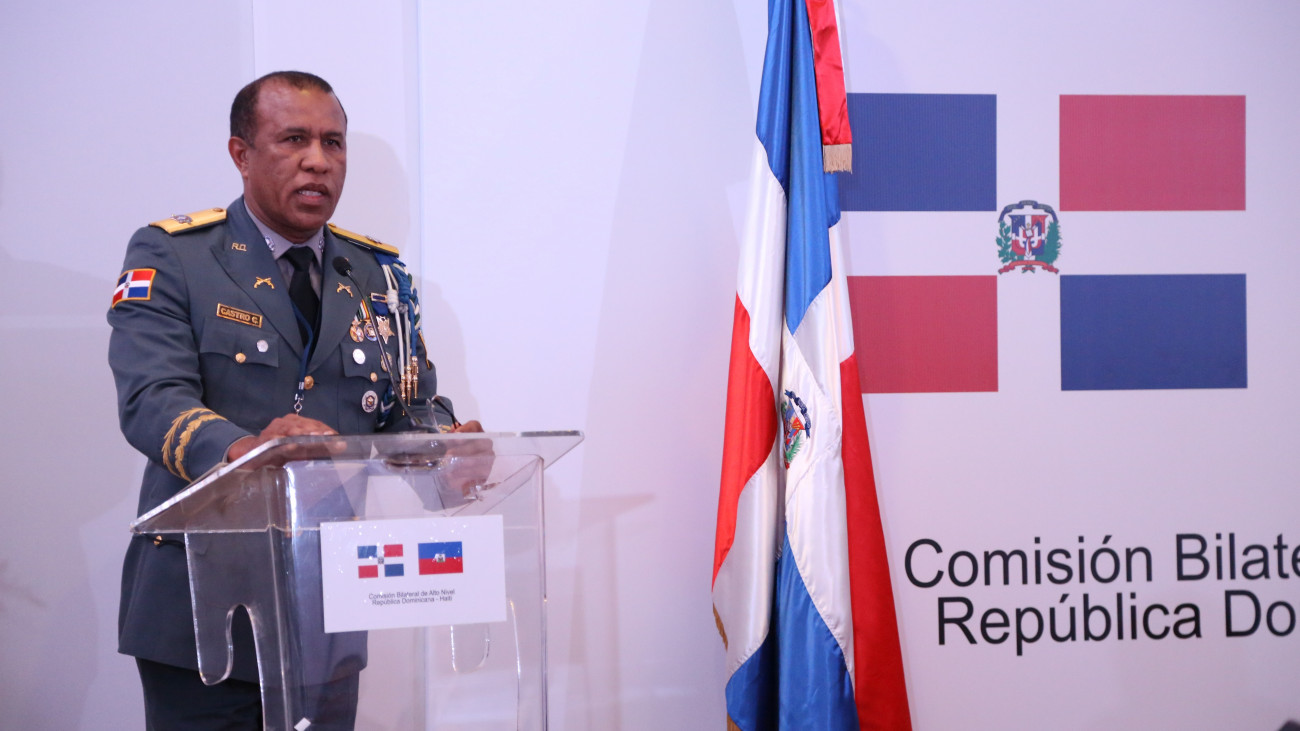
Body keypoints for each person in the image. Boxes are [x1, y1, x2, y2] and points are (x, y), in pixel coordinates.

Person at [107, 70, 480, 730]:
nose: (318, 160)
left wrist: (445, 454)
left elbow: (408, 405)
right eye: (294, 139)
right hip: (201, 613)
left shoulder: (377, 275)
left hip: (327, 608)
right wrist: (246, 451)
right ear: (241, 154)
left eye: (333, 143)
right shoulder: (176, 256)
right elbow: (152, 398)